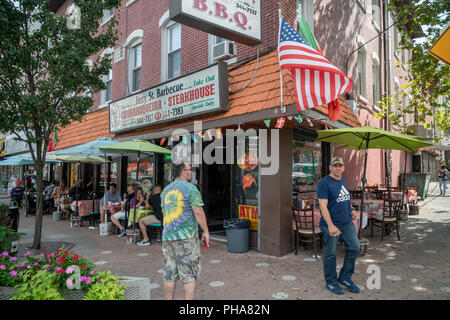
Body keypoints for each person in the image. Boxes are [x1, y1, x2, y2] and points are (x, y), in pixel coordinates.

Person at [161, 162, 209, 300]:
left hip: (168, 236)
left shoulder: (165, 191)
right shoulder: (191, 188)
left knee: (169, 272)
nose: (191, 172)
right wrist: (205, 231)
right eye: (190, 169)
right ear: (183, 172)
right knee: (188, 273)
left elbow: (165, 213)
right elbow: (198, 212)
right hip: (186, 238)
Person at [317, 156, 360, 295]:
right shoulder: (324, 183)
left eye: (340, 165)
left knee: (355, 247)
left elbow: (344, 199)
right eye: (335, 165)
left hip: (346, 223)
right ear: (330, 167)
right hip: (331, 224)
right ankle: (331, 281)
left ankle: (345, 277)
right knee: (330, 253)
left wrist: (352, 210)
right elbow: (323, 206)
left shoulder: (342, 180)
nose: (337, 168)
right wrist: (330, 225)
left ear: (343, 168)